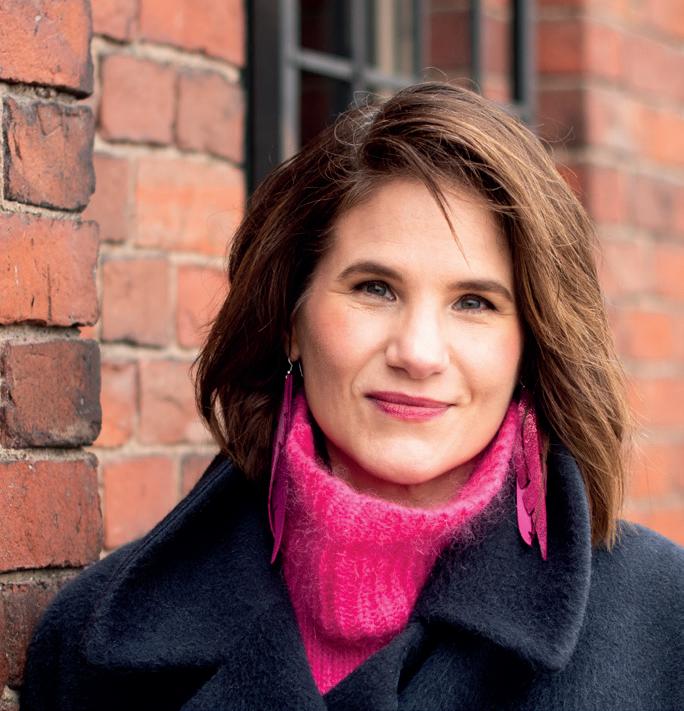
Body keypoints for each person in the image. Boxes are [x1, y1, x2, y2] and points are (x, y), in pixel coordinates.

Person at [22, 83, 682, 711]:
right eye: (374, 288)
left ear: (530, 346)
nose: (418, 352)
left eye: (475, 302)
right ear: (291, 318)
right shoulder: (90, 644)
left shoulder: (662, 620)